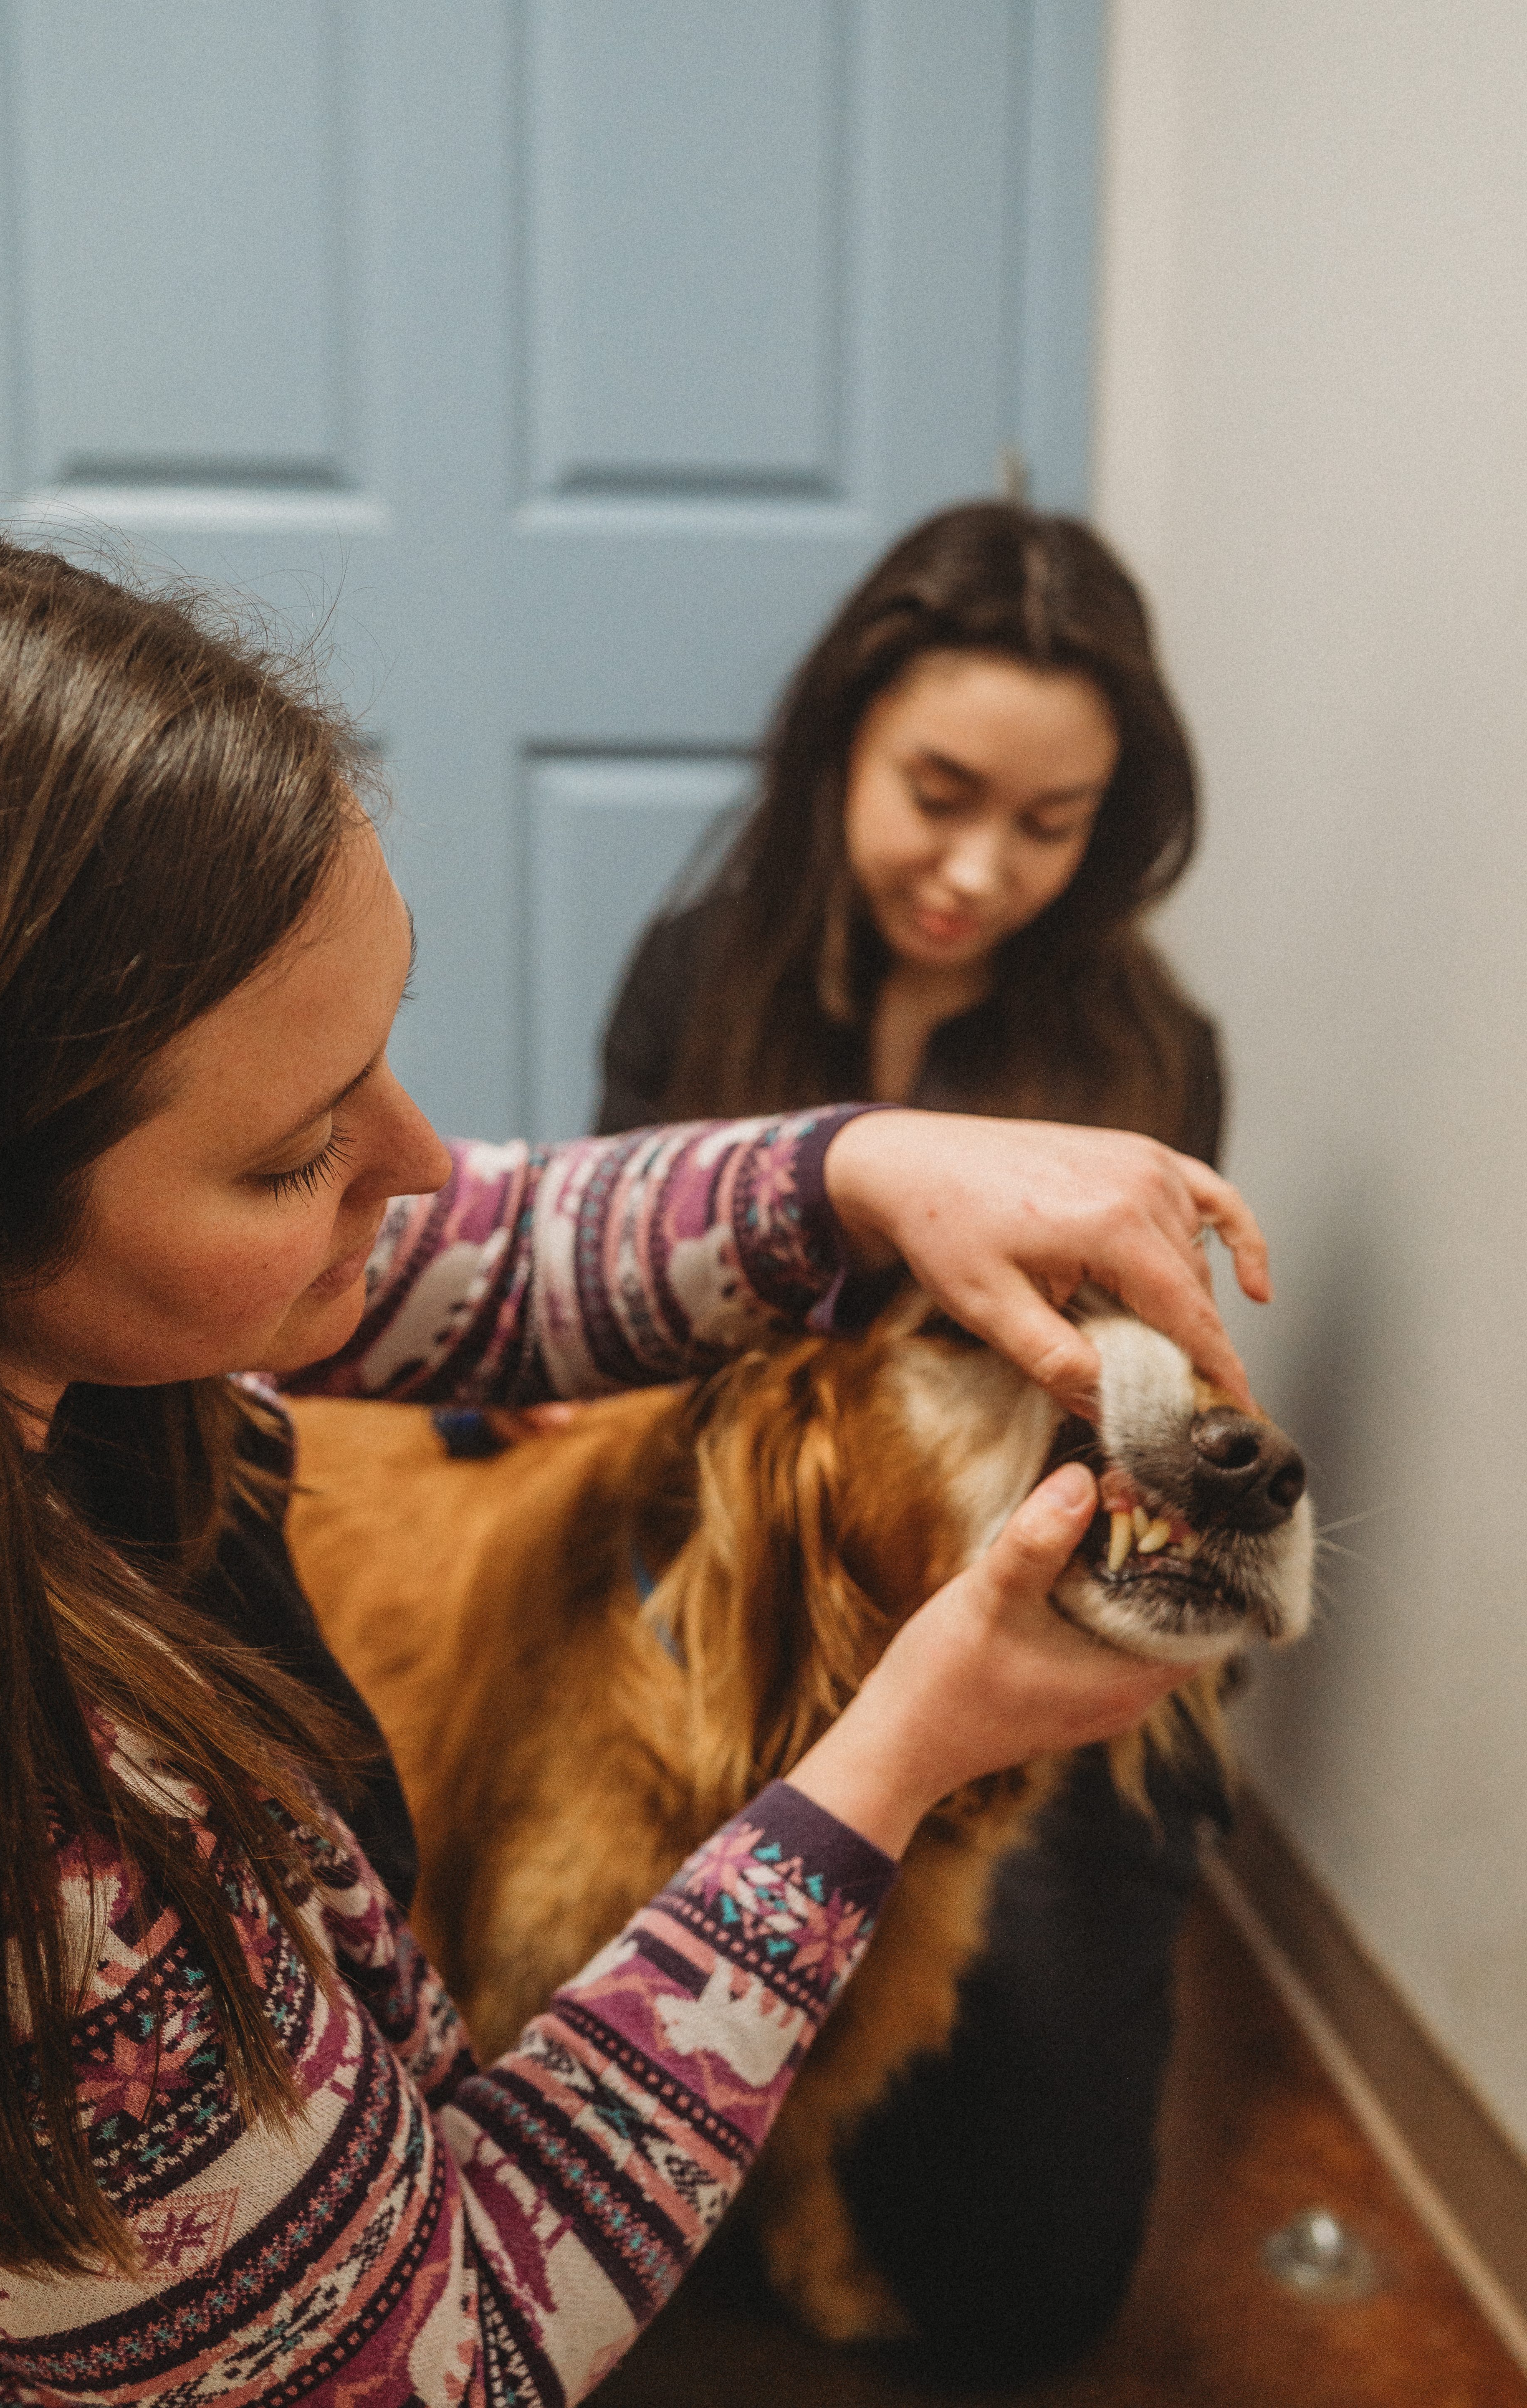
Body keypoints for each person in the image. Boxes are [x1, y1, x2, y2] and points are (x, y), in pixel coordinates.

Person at [0, 526, 1266, 2406]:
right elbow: (442, 2345)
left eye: (391, 1062)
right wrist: (887, 1755)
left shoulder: (63, 1327)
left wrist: (861, 1164)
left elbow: (486, 1241)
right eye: (297, 1150)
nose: (428, 1167)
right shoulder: (16, 1850)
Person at [596, 501, 1236, 2382]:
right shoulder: (697, 971)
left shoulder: (1148, 1047)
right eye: (937, 791)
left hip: (1030, 1603)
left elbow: (1140, 1425)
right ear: (840, 752)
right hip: (726, 1573)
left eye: (1048, 826)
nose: (974, 870)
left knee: (1034, 2265)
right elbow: (625, 1331)